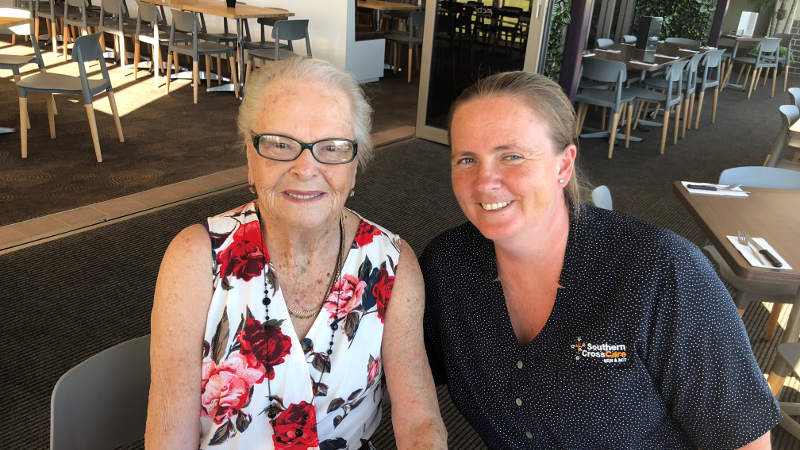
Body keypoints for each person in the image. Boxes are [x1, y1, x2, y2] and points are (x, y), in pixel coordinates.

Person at [421, 71, 780, 449]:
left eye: (512, 156)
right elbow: (399, 372)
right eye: (466, 160)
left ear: (563, 165)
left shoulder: (663, 271)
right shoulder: (447, 268)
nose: (484, 182)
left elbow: (744, 439)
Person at [145, 57, 446, 449]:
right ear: (250, 158)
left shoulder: (392, 264)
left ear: (355, 166)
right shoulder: (196, 259)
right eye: (280, 144)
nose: (306, 168)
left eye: (332, 147)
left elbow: (420, 419)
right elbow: (169, 431)